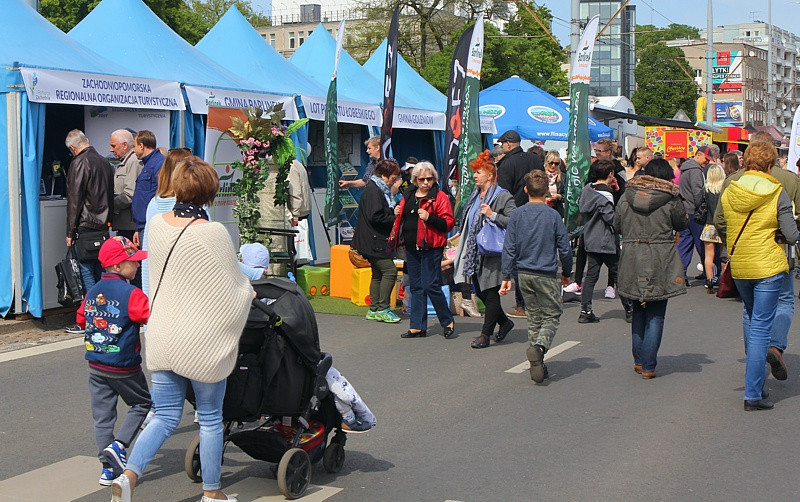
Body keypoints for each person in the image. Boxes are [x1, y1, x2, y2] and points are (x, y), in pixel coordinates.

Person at [110, 157, 253, 502]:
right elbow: (236, 285)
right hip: (201, 341)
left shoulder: (155, 225)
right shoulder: (213, 232)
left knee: (163, 415)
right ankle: (212, 493)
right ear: (209, 191)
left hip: (162, 333)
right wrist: (249, 291)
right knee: (210, 418)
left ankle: (128, 477)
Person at [714, 140, 798, 411]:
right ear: (770, 164)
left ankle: (757, 384)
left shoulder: (731, 189)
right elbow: (792, 234)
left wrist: (732, 243)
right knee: (762, 325)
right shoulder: (775, 191)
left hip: (740, 263)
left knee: (752, 319)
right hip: (768, 266)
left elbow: (720, 222)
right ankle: (753, 393)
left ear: (746, 161)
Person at [78, 236, 151, 486]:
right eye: (133, 261)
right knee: (142, 403)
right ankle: (119, 445)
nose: (138, 265)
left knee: (103, 418)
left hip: (96, 364)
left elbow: (81, 319)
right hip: (124, 365)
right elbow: (148, 316)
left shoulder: (92, 291)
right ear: (118, 266)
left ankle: (107, 469)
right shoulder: (132, 293)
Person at [615, 159, 689, 379]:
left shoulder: (626, 196)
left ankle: (639, 361)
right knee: (656, 313)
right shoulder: (670, 199)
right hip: (660, 256)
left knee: (637, 309)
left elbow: (617, 224)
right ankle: (648, 365)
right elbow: (682, 224)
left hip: (632, 255)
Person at [500, 170, 572, 383]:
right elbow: (565, 248)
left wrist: (506, 275)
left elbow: (509, 247)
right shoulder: (553, 215)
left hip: (523, 273)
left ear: (525, 190)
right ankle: (539, 348)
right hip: (546, 273)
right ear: (547, 191)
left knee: (533, 317)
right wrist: (566, 272)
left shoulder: (517, 215)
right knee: (552, 314)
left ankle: (537, 361)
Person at [452, 150, 516, 349]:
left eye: (478, 172)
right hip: (475, 251)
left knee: (491, 292)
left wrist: (492, 215)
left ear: (490, 175)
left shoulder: (502, 196)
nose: (474, 175)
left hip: (493, 251)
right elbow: (470, 221)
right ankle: (504, 322)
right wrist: (460, 234)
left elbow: (514, 221)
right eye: (474, 172)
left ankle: (485, 335)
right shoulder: (475, 195)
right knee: (480, 291)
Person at [390, 161, 456, 338]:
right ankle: (417, 326)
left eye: (429, 179)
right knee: (416, 286)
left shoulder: (440, 197)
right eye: (422, 179)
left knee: (430, 285)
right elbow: (404, 217)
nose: (426, 182)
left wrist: (429, 217)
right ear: (415, 180)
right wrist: (397, 211)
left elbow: (449, 223)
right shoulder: (409, 194)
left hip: (431, 246)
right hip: (411, 246)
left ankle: (447, 320)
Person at [65, 129, 114, 334]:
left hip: (85, 226)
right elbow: (110, 195)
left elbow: (75, 200)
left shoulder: (78, 163)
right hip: (102, 227)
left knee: (85, 271)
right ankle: (106, 313)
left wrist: (70, 231)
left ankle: (93, 317)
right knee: (101, 271)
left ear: (73, 148)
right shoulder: (104, 161)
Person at [496, 130, 543, 319]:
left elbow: (503, 194)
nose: (502, 147)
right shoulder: (535, 159)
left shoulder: (506, 164)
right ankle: (537, 301)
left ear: (508, 144)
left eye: (502, 144)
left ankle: (523, 305)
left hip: (516, 214)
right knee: (536, 257)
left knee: (518, 261)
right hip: (538, 210)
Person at [577, 160, 629, 323]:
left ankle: (585, 310)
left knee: (591, 277)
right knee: (619, 275)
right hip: (606, 241)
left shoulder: (588, 189)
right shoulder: (605, 195)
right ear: (610, 174)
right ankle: (630, 309)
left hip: (591, 239)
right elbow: (610, 218)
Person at [351, 159, 401, 323]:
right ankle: (383, 308)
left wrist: (392, 212)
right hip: (374, 240)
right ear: (385, 174)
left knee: (378, 274)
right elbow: (376, 216)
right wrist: (394, 217)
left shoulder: (376, 188)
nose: (395, 179)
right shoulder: (374, 190)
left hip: (370, 239)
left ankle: (374, 309)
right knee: (390, 271)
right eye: (394, 176)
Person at [140, 148, 193, 297]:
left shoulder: (154, 204)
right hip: (189, 284)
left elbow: (147, 253)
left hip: (162, 285)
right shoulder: (196, 205)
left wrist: (147, 295)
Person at [678, 146, 712, 283]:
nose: (707, 162)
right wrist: (701, 206)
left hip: (685, 209)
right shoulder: (696, 171)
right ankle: (709, 272)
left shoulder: (685, 169)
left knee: (685, 243)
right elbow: (697, 192)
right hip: (694, 211)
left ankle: (680, 273)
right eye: (706, 159)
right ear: (699, 155)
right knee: (702, 243)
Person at [130, 130, 165, 247]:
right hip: (144, 225)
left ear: (141, 146)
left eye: (134, 146)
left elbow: (163, 195)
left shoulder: (159, 163)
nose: (133, 150)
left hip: (152, 226)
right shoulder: (148, 164)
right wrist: (138, 228)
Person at [109, 129, 142, 243]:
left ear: (124, 145)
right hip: (124, 223)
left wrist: (109, 204)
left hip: (130, 225)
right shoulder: (126, 162)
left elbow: (130, 194)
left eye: (113, 146)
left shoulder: (133, 161)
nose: (111, 149)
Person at [700, 164, 725, 293]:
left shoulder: (706, 190)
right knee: (721, 255)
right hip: (721, 225)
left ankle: (709, 280)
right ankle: (722, 281)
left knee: (708, 255)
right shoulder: (725, 190)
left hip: (709, 225)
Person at [286, 159, 312, 227]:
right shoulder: (298, 164)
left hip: (297, 214)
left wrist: (295, 215)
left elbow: (295, 192)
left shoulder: (291, 167)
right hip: (303, 211)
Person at [544, 150, 565, 217]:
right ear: (546, 162)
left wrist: (560, 196)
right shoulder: (541, 175)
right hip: (543, 209)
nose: (553, 165)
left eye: (556, 163)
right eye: (551, 163)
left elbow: (567, 195)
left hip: (557, 210)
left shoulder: (563, 177)